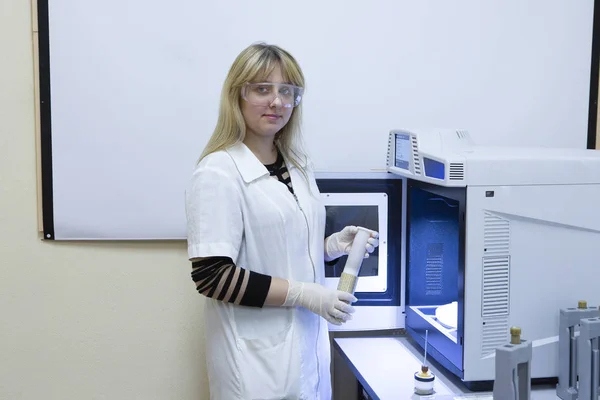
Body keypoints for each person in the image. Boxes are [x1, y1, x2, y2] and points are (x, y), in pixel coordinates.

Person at [184, 42, 379, 400]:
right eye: (262, 89)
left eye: (287, 91)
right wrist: (305, 294)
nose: (277, 102)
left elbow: (282, 252)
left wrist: (330, 248)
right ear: (236, 95)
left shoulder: (297, 166)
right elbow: (212, 277)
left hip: (308, 354)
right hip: (257, 369)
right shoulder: (218, 171)